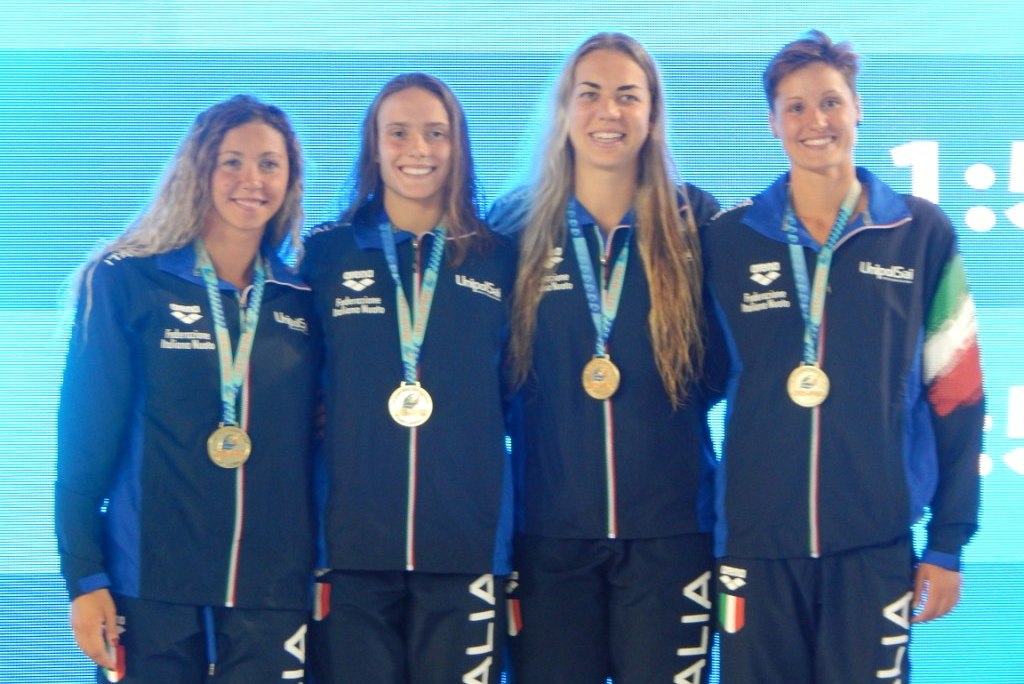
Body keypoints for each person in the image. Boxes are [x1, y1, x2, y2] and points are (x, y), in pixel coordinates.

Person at [701, 30, 984, 683]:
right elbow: (694, 383)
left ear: (857, 108)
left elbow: (958, 395)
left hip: (874, 544)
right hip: (755, 546)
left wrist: (948, 540)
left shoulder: (920, 233)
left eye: (830, 102)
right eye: (795, 107)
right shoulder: (728, 239)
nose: (815, 121)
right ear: (773, 123)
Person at [56, 94, 319, 683]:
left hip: (270, 595)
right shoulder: (127, 281)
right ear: (199, 169)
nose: (252, 180)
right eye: (232, 161)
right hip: (148, 589)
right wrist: (84, 579)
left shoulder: (303, 299)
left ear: (290, 181)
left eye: (269, 164)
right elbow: (82, 448)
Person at [488, 32, 720, 683]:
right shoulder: (512, 225)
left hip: (671, 533)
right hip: (548, 536)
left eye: (627, 95)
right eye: (589, 94)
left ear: (652, 112)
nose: (608, 112)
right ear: (564, 109)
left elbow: (731, 366)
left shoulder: (696, 222)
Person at [301, 73, 515, 683]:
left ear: (459, 146)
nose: (417, 149)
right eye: (398, 132)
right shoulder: (325, 254)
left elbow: (519, 391)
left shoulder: (500, 257)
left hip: (466, 546)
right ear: (373, 146)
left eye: (435, 133)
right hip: (350, 551)